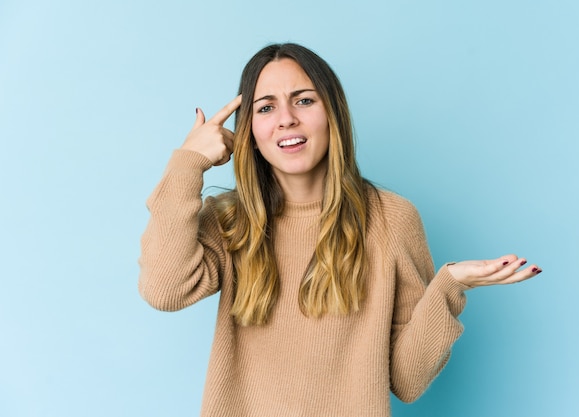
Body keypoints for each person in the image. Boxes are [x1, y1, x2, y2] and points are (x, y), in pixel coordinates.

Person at [138, 43, 541, 417]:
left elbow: (406, 380)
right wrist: (187, 163)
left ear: (333, 114)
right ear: (249, 134)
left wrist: (449, 286)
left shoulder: (391, 219)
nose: (286, 119)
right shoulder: (228, 222)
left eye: (304, 100)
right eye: (265, 108)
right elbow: (165, 290)